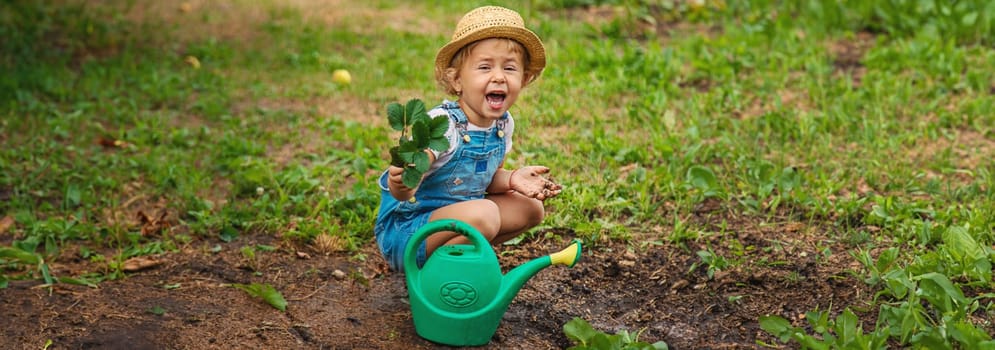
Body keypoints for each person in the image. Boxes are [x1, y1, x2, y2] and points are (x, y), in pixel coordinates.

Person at [374, 5, 562, 272]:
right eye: (484, 67)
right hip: (408, 232)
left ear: (525, 78)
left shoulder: (503, 124)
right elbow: (407, 181)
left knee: (531, 208)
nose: (498, 76)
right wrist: (404, 181)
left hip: (461, 218)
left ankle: (458, 260)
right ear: (457, 80)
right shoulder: (441, 124)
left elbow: (485, 179)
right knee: (485, 214)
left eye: (509, 68)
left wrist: (512, 178)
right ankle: (438, 275)